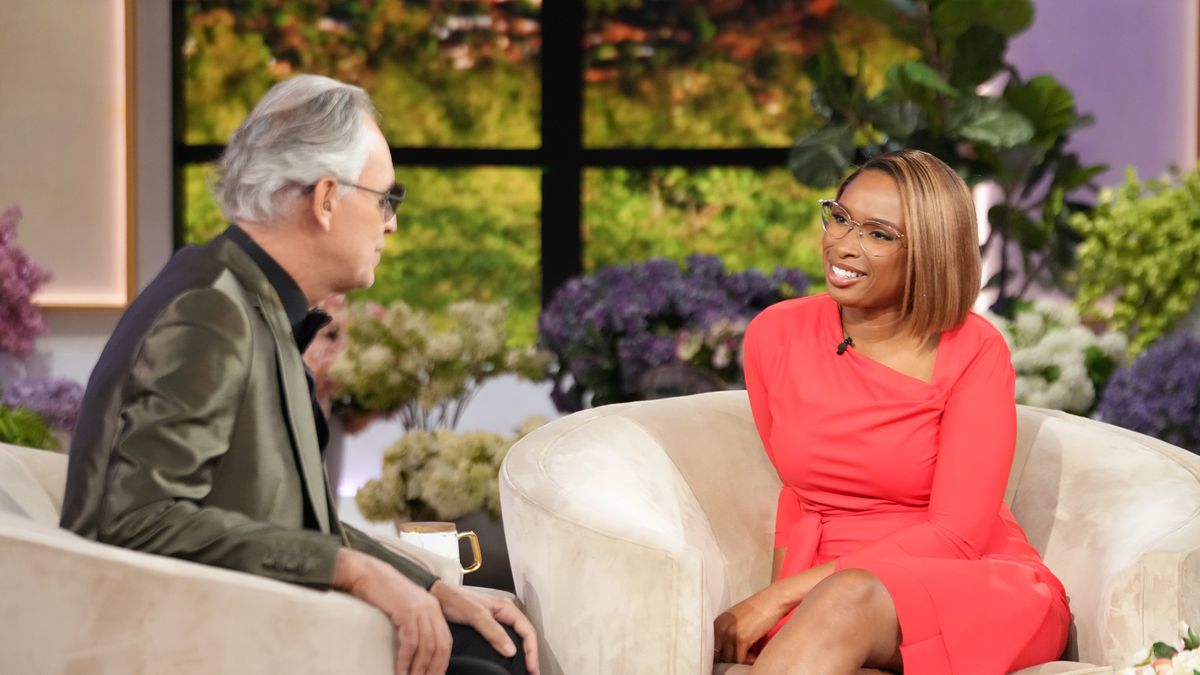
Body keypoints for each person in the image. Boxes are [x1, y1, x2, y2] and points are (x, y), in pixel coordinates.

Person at [61, 74, 539, 675]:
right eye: (385, 199)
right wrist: (357, 571)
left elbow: (288, 518)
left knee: (507, 644)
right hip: (215, 641)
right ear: (327, 198)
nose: (391, 224)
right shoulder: (208, 310)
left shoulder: (241, 295)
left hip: (261, 620)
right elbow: (138, 519)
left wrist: (435, 586)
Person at [713, 149, 1069, 674]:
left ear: (928, 252)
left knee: (847, 597)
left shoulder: (973, 348)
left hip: (968, 580)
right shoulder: (776, 333)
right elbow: (803, 492)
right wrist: (786, 593)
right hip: (829, 595)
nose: (842, 244)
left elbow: (957, 535)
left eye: (877, 234)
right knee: (841, 604)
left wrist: (781, 596)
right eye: (839, 217)